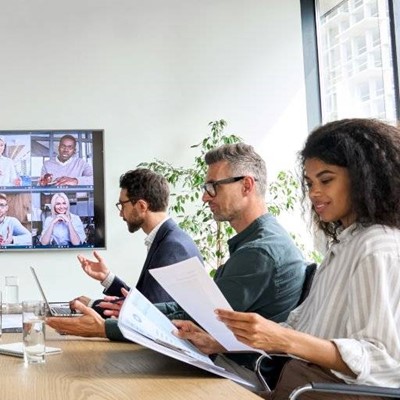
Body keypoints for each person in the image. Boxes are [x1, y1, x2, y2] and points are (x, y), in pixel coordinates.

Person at [47, 144, 306, 388]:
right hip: (228, 361)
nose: (205, 196)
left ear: (247, 185)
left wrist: (106, 328)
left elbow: (201, 319)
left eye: (213, 187)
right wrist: (125, 311)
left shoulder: (259, 252)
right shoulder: (255, 243)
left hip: (240, 373)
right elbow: (194, 309)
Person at [178, 118, 400, 399]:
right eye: (309, 183)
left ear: (364, 177)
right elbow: (296, 328)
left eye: (326, 180)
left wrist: (284, 339)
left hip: (323, 392)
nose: (314, 193)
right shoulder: (344, 244)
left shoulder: (377, 247)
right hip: (298, 384)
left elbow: (381, 360)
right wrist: (219, 342)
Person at [52, 168, 203, 311]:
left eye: (122, 205)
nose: (120, 214)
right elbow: (146, 301)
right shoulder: (167, 238)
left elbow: (150, 314)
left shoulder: (172, 247)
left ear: (142, 206)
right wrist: (107, 277)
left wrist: (92, 305)